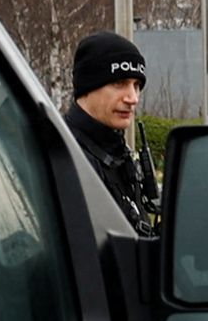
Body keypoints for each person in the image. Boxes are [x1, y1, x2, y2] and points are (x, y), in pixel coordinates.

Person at [67, 31, 160, 230]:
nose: (132, 98)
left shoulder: (115, 152)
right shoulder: (67, 156)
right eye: (119, 83)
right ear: (87, 88)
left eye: (136, 86)